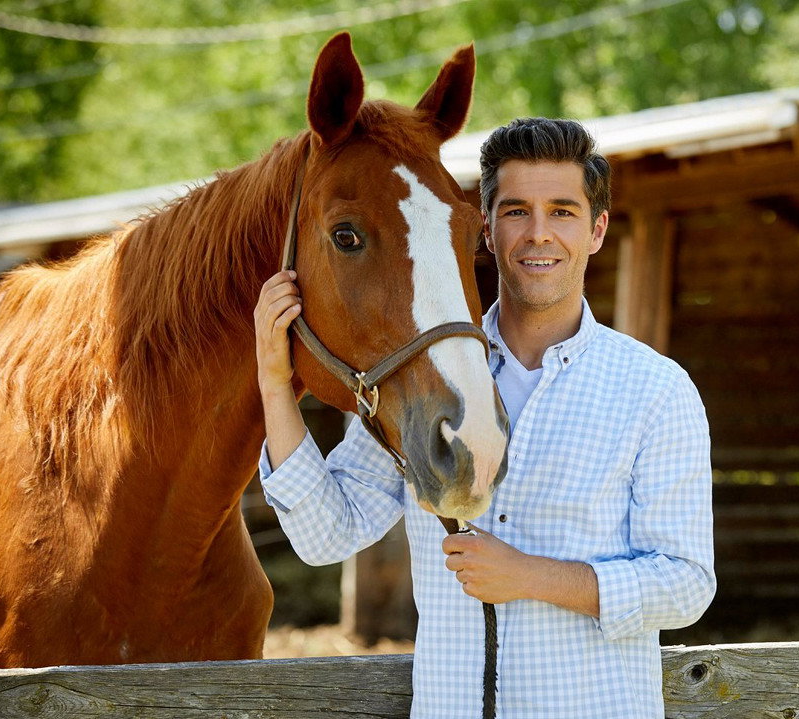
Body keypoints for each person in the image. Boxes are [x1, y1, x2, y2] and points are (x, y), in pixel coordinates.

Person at [253, 117, 714, 718]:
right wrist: (274, 382)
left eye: (564, 212)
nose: (538, 234)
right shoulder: (417, 380)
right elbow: (325, 535)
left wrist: (530, 577)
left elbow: (685, 584)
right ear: (488, 231)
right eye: (517, 211)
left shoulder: (656, 390)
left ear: (597, 230)